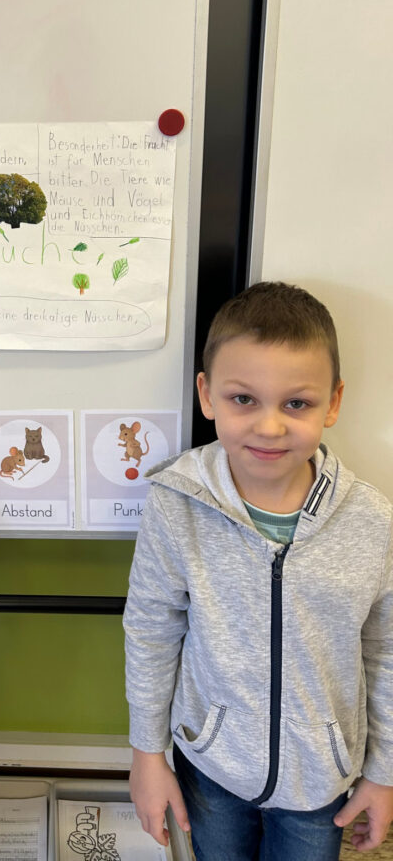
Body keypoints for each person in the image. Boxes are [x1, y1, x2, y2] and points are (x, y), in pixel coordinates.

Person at [124, 281, 393, 860]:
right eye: (244, 399)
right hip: (211, 767)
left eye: (296, 403)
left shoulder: (372, 520)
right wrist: (147, 752)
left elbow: (386, 650)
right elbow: (150, 630)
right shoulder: (176, 502)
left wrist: (384, 772)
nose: (270, 427)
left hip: (320, 781)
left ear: (333, 403)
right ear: (207, 395)